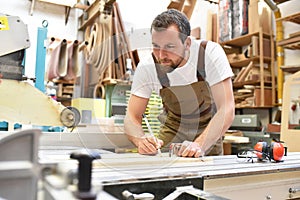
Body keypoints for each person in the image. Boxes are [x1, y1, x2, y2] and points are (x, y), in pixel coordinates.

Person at [124, 9, 235, 158]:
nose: (161, 56)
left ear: (187, 43)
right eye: (156, 46)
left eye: (170, 47)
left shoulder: (209, 53)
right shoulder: (147, 66)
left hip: (207, 134)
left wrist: (199, 145)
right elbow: (132, 116)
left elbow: (226, 108)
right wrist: (140, 140)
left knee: (207, 178)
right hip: (172, 132)